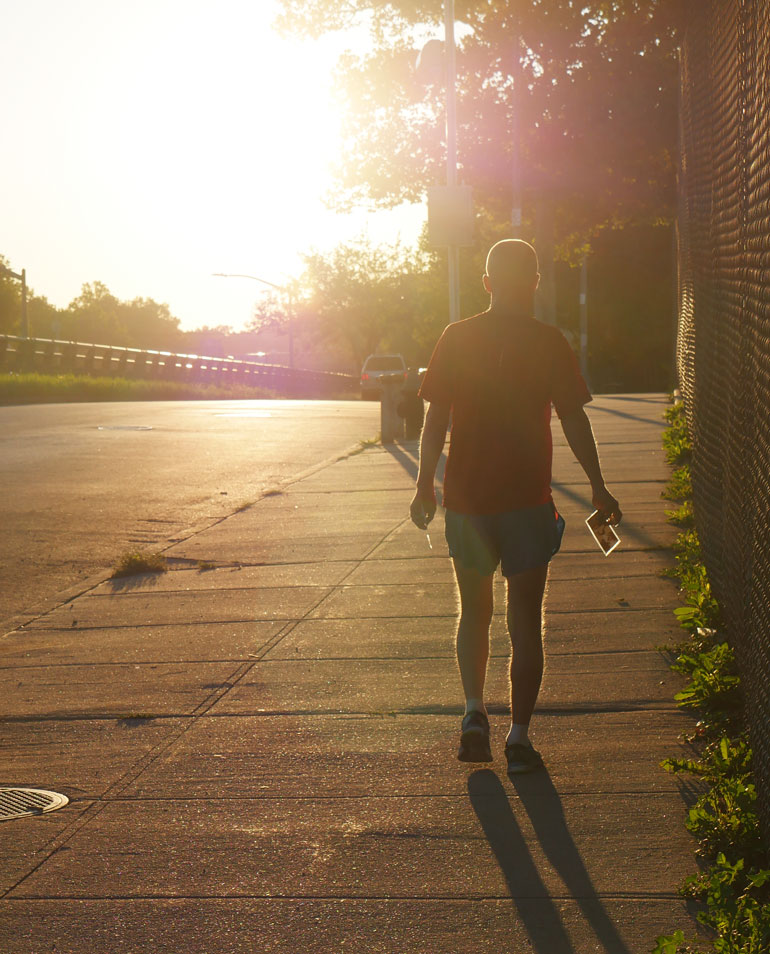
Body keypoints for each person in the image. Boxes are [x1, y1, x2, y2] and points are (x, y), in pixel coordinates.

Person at [409, 239, 621, 774]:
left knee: (473, 613)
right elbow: (575, 418)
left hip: (468, 501)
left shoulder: (456, 337)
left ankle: (474, 714)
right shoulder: (550, 342)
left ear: (486, 283)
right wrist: (598, 485)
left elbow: (434, 421)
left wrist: (422, 487)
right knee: (526, 620)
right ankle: (520, 739)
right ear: (534, 281)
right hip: (528, 500)